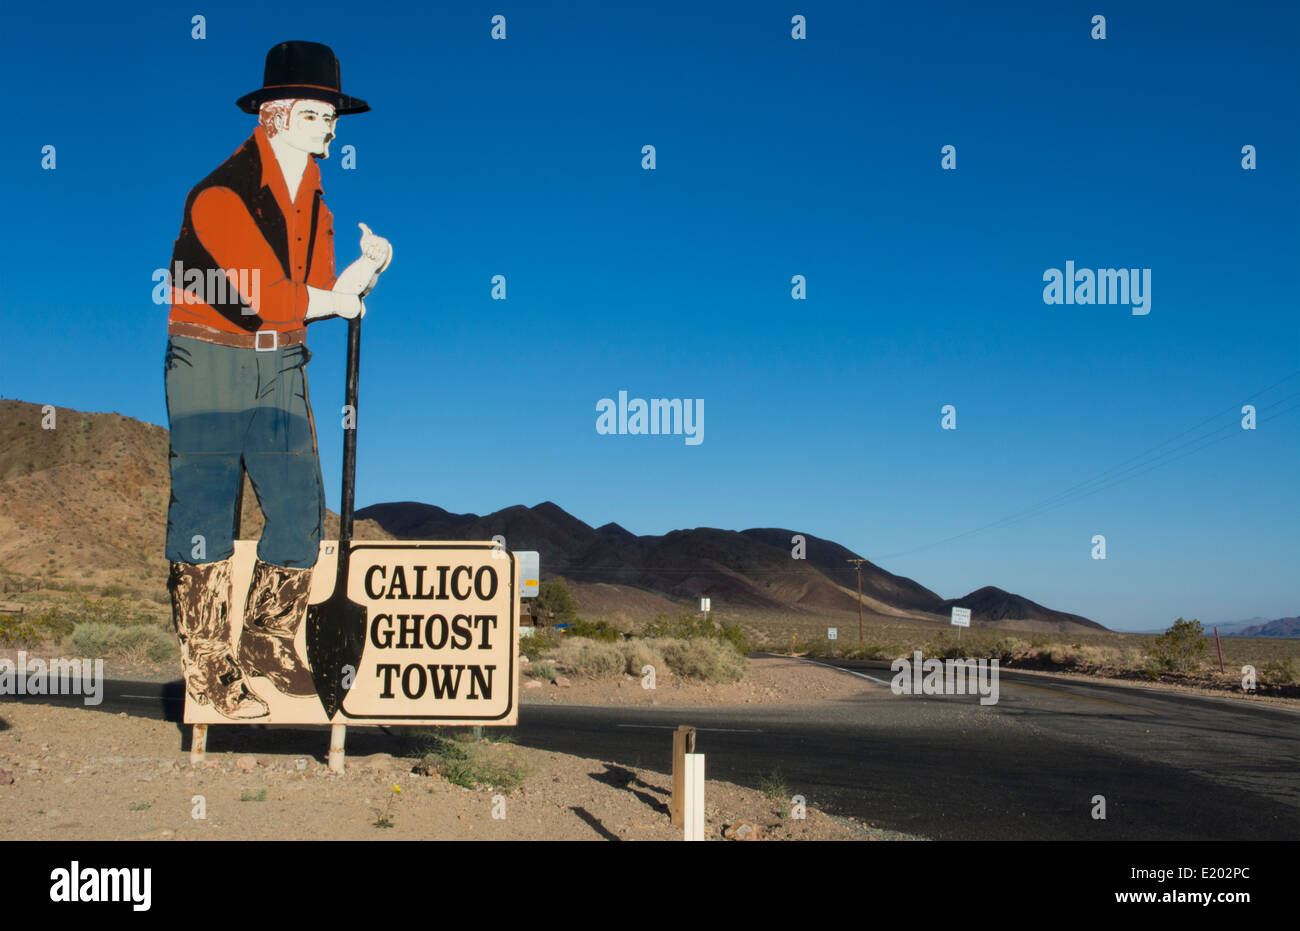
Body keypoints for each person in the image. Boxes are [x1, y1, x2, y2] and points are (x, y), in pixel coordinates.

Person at [165, 41, 391, 719]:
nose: (331, 126)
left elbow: (313, 291)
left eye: (332, 114)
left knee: (299, 505)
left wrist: (359, 275)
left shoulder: (317, 204)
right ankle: (208, 665)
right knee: (206, 509)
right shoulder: (219, 193)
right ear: (277, 115)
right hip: (208, 355)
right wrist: (333, 298)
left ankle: (267, 643)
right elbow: (266, 291)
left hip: (281, 360)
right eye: (320, 113)